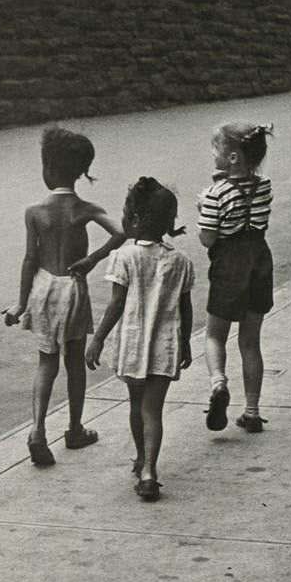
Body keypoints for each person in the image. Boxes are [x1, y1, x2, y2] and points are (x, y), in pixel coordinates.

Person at [4, 127, 125, 467]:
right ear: (80, 172)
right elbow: (120, 232)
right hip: (72, 287)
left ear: (48, 169)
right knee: (74, 362)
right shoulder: (83, 208)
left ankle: (38, 430)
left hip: (43, 287)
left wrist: (20, 304)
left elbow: (30, 259)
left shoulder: (35, 211)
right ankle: (74, 429)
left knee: (46, 362)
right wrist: (93, 259)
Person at [86, 178, 194, 501]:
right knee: (153, 411)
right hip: (164, 346)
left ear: (134, 219)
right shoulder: (180, 261)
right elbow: (185, 309)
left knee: (136, 406)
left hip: (134, 346)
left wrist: (98, 339)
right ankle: (149, 467)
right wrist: (186, 342)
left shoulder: (124, 257)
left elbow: (116, 304)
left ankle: (142, 461)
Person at [197, 122, 275, 434]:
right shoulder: (265, 185)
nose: (212, 154)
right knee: (250, 341)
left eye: (217, 149)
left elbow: (207, 238)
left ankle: (218, 383)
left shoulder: (216, 195)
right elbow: (247, 208)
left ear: (232, 158)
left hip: (228, 267)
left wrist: (203, 206)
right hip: (259, 262)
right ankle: (252, 411)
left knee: (215, 334)